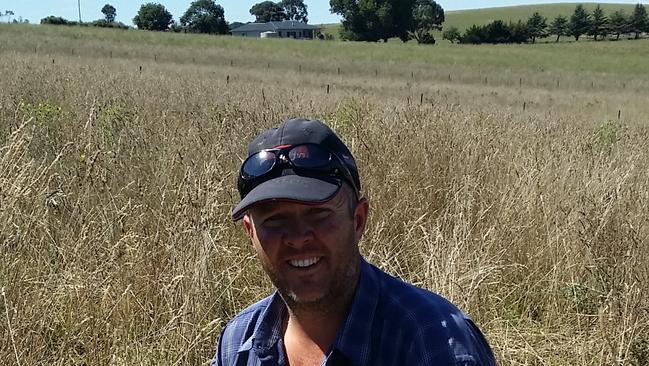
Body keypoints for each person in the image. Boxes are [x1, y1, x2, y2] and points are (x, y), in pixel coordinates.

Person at [212, 118, 496, 366]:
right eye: (275, 219)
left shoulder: (432, 341)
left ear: (358, 220)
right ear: (251, 232)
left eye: (318, 214)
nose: (298, 237)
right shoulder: (238, 343)